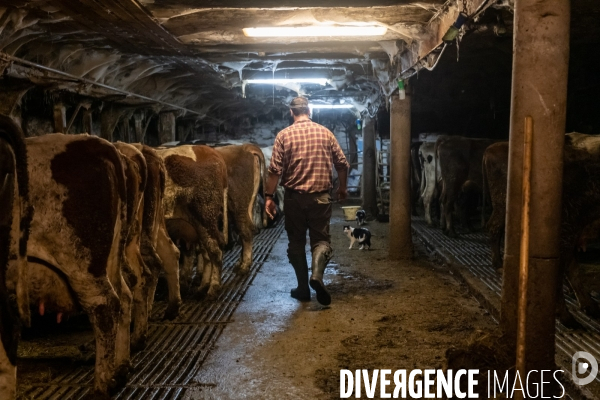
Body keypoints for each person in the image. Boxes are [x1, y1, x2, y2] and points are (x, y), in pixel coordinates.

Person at [264, 97, 349, 306]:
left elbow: (274, 171)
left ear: (291, 113)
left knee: (296, 242)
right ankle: (317, 276)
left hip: (294, 199)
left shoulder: (283, 135)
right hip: (320, 197)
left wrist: (268, 197)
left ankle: (303, 288)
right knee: (321, 240)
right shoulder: (325, 133)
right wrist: (342, 188)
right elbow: (342, 163)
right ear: (309, 110)